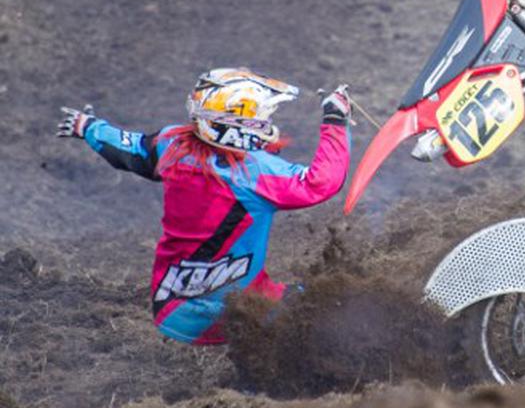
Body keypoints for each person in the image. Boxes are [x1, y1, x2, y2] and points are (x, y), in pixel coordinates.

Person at [56, 68, 352, 345]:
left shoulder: (170, 146)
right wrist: (335, 121)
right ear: (238, 125)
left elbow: (130, 149)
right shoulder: (257, 174)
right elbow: (322, 182)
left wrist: (89, 127)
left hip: (169, 309)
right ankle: (264, 387)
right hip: (234, 312)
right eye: (259, 119)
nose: (267, 124)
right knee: (326, 309)